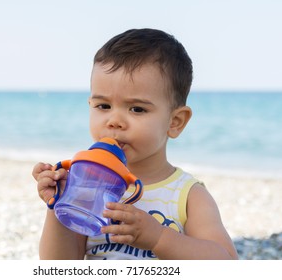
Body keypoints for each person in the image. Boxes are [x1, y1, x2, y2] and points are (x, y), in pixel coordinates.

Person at [32, 28, 238, 260]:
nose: (114, 121)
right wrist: (60, 207)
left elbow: (226, 262)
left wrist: (159, 238)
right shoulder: (87, 186)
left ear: (175, 122)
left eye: (137, 109)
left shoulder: (188, 195)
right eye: (103, 106)